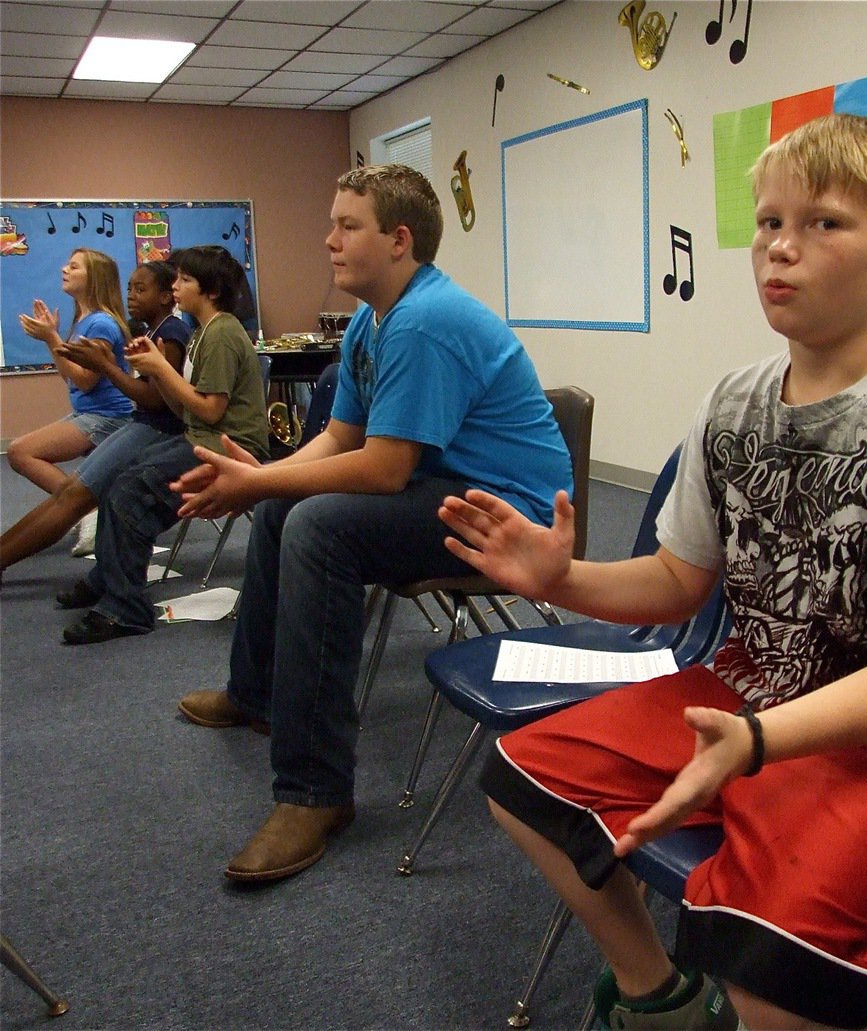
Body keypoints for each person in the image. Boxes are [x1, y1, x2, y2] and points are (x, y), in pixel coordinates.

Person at [437, 114, 867, 1030]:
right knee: (526, 779)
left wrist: (758, 747)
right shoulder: (735, 399)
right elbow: (679, 583)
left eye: (823, 224)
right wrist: (561, 581)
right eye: (767, 223)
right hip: (746, 698)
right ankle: (659, 999)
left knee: (758, 933)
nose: (780, 250)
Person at [171, 164, 573, 884]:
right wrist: (265, 482)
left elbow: (383, 469)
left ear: (399, 240)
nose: (328, 239)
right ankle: (255, 692)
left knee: (320, 526)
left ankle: (315, 792)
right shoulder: (371, 319)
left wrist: (259, 478)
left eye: (346, 225)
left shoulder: (425, 320)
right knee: (286, 507)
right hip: (448, 486)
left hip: (509, 512)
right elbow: (338, 439)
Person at [55, 245, 269, 645]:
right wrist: (155, 367)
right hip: (202, 436)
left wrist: (158, 370)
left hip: (227, 447)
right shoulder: (204, 331)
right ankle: (108, 578)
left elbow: (209, 410)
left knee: (131, 491)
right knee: (119, 478)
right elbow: (182, 407)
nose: (175, 285)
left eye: (185, 280)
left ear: (212, 291)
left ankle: (126, 609)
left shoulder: (221, 333)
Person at [1, 261, 189, 573]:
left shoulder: (170, 332)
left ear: (167, 296)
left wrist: (104, 366)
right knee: (69, 493)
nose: (131, 296)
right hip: (142, 425)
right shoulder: (153, 330)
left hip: (153, 429)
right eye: (130, 288)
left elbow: (157, 401)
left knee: (73, 496)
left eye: (141, 289)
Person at [9, 248, 134, 521]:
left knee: (20, 451)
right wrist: (51, 339)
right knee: (21, 452)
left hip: (108, 417)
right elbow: (70, 376)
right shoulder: (84, 321)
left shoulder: (101, 323)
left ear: (95, 279)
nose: (64, 270)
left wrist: (52, 338)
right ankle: (90, 508)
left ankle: (86, 509)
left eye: (74, 267)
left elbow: (86, 381)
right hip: (90, 413)